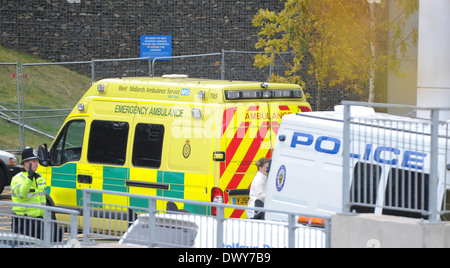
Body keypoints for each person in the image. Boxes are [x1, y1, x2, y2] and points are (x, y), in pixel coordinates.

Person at [10, 147, 47, 239]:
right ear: (25, 163)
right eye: (33, 161)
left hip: (39, 220)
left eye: (37, 161)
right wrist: (29, 178)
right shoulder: (17, 178)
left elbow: (42, 198)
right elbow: (21, 193)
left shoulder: (40, 178)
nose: (36, 163)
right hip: (23, 221)